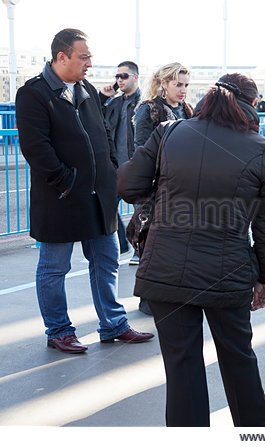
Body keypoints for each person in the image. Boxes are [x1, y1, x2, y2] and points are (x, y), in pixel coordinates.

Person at [118, 73, 265, 427]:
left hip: (165, 271)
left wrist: (164, 202)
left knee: (182, 367)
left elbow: (129, 185)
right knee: (237, 355)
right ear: (251, 105)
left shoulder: (169, 132)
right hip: (227, 274)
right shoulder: (257, 147)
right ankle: (258, 424)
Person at [15, 28, 154, 354]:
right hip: (60, 198)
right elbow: (36, 147)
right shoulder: (33, 94)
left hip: (99, 196)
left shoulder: (86, 89)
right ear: (62, 56)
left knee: (107, 262)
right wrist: (67, 180)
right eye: (84, 56)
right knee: (54, 268)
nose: (90, 62)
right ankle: (59, 330)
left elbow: (103, 132)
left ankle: (114, 324)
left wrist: (110, 170)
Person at [132, 62, 193, 314]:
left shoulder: (187, 110)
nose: (183, 90)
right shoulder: (150, 110)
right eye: (178, 84)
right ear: (163, 84)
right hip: (154, 187)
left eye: (186, 85)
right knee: (151, 242)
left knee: (177, 244)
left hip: (181, 187)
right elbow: (142, 149)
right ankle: (148, 299)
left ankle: (172, 294)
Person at [99, 61, 142, 256]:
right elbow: (94, 118)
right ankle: (122, 244)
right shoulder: (114, 103)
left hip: (137, 166)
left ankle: (139, 251)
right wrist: (103, 98)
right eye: (117, 76)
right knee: (106, 207)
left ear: (135, 77)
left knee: (141, 212)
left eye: (123, 76)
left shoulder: (145, 103)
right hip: (115, 167)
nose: (119, 80)